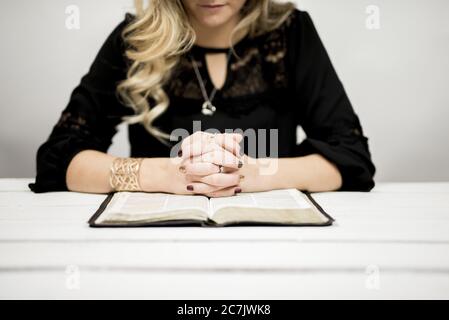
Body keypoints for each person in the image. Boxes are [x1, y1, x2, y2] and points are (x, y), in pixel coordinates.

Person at [30, 0, 376, 197]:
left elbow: (351, 160)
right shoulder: (135, 40)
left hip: (272, 247)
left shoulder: (291, 33)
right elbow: (60, 161)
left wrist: (253, 174)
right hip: (153, 247)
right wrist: (165, 175)